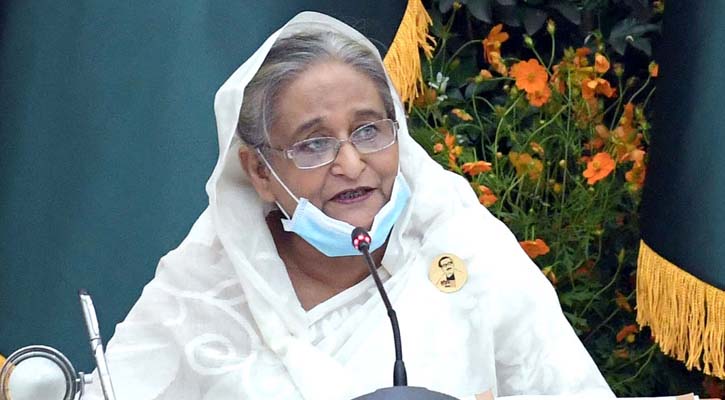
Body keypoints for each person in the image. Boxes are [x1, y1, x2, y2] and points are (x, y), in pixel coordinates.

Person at [84, 12, 614, 400]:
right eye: (314, 143)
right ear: (259, 171)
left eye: (368, 130)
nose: (351, 163)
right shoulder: (203, 292)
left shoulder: (468, 253)